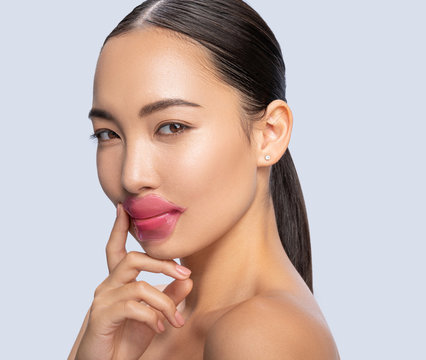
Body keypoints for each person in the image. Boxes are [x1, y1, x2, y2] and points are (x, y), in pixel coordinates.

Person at [69, 0, 340, 358]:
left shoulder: (261, 335)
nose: (132, 176)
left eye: (172, 127)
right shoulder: (127, 323)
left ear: (270, 134)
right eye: (108, 134)